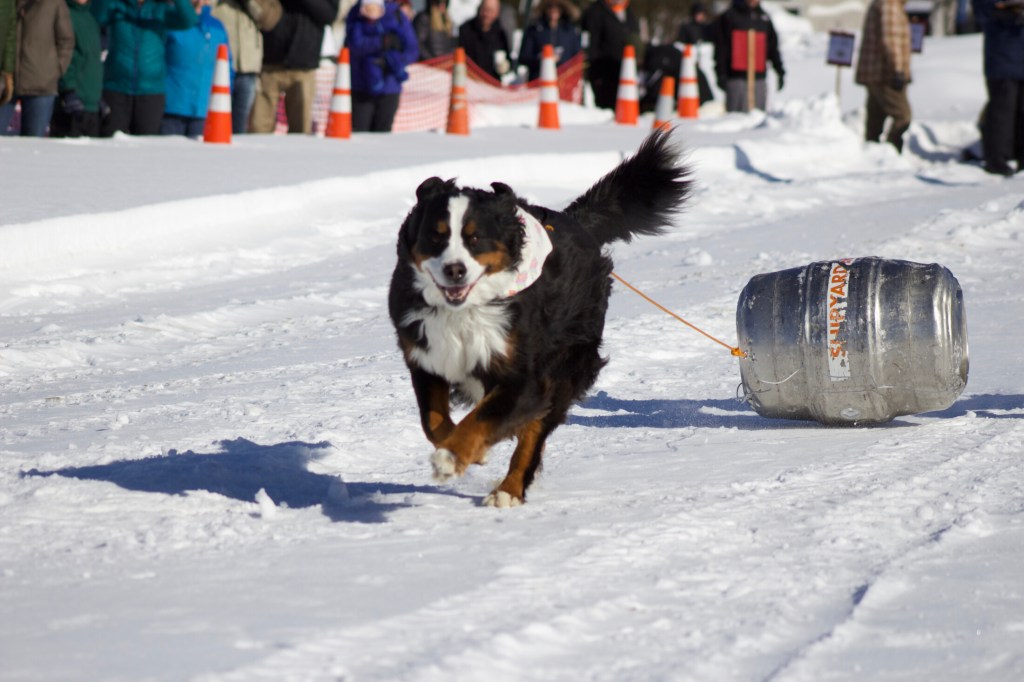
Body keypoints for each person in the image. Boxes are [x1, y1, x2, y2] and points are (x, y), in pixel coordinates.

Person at [92, 0, 198, 136]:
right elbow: (96, 14)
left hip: (151, 92)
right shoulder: (117, 7)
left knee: (146, 149)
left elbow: (189, 20)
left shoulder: (161, 9)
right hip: (116, 88)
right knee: (110, 143)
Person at [251, 0, 339, 134]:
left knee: (301, 129)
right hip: (271, 59)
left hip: (303, 63)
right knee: (259, 126)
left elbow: (329, 15)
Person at [0, 0, 74, 136]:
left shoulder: (54, 3)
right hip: (7, 82)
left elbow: (66, 40)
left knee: (33, 145)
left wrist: (55, 71)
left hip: (41, 85)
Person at [161, 0, 229, 138]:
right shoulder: (171, 21)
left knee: (200, 158)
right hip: (171, 109)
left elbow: (226, 70)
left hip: (203, 111)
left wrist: (222, 100)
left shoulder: (217, 27)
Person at [345, 0, 416, 132]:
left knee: (382, 136)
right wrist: (380, 42)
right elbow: (354, 44)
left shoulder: (397, 14)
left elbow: (412, 49)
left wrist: (393, 60)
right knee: (360, 134)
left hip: (390, 88)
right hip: (362, 86)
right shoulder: (356, 13)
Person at [972, 0, 1024, 175]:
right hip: (1002, 60)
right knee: (1002, 113)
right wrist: (1004, 12)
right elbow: (982, 12)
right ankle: (996, 160)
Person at [854, 0, 912, 153]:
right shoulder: (890, 4)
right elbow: (891, 40)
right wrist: (898, 69)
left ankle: (872, 157)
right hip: (885, 74)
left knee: (875, 121)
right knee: (903, 116)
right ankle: (890, 153)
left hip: (877, 73)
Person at [714, 0, 785, 113]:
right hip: (736, 78)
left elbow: (772, 48)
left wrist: (780, 71)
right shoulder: (730, 17)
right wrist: (721, 73)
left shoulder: (764, 18)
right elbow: (721, 48)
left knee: (757, 116)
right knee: (736, 118)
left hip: (759, 78)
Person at [51, 0, 103, 137]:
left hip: (91, 104)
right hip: (71, 104)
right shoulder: (64, 15)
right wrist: (68, 89)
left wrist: (97, 96)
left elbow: (93, 60)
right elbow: (64, 56)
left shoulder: (91, 17)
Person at [212, 0, 262, 134]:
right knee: (216, 121)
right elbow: (202, 10)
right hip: (219, 69)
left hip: (248, 67)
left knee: (240, 126)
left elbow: (266, 17)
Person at [581, 0, 640, 110]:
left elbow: (635, 38)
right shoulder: (595, 11)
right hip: (602, 70)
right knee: (606, 106)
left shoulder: (629, 13)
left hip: (624, 69)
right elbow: (591, 42)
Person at [516, 0, 580, 82]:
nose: (553, 11)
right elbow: (524, 56)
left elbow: (577, 58)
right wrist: (541, 58)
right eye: (550, 7)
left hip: (564, 81)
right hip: (539, 80)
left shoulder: (570, 31)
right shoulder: (535, 30)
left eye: (557, 8)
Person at [457, 0, 510, 81]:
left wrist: (505, 67)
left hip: (491, 84)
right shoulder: (466, 29)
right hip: (469, 81)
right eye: (485, 10)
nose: (487, 14)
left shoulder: (500, 35)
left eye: (491, 11)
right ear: (479, 9)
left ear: (497, 13)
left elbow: (508, 59)